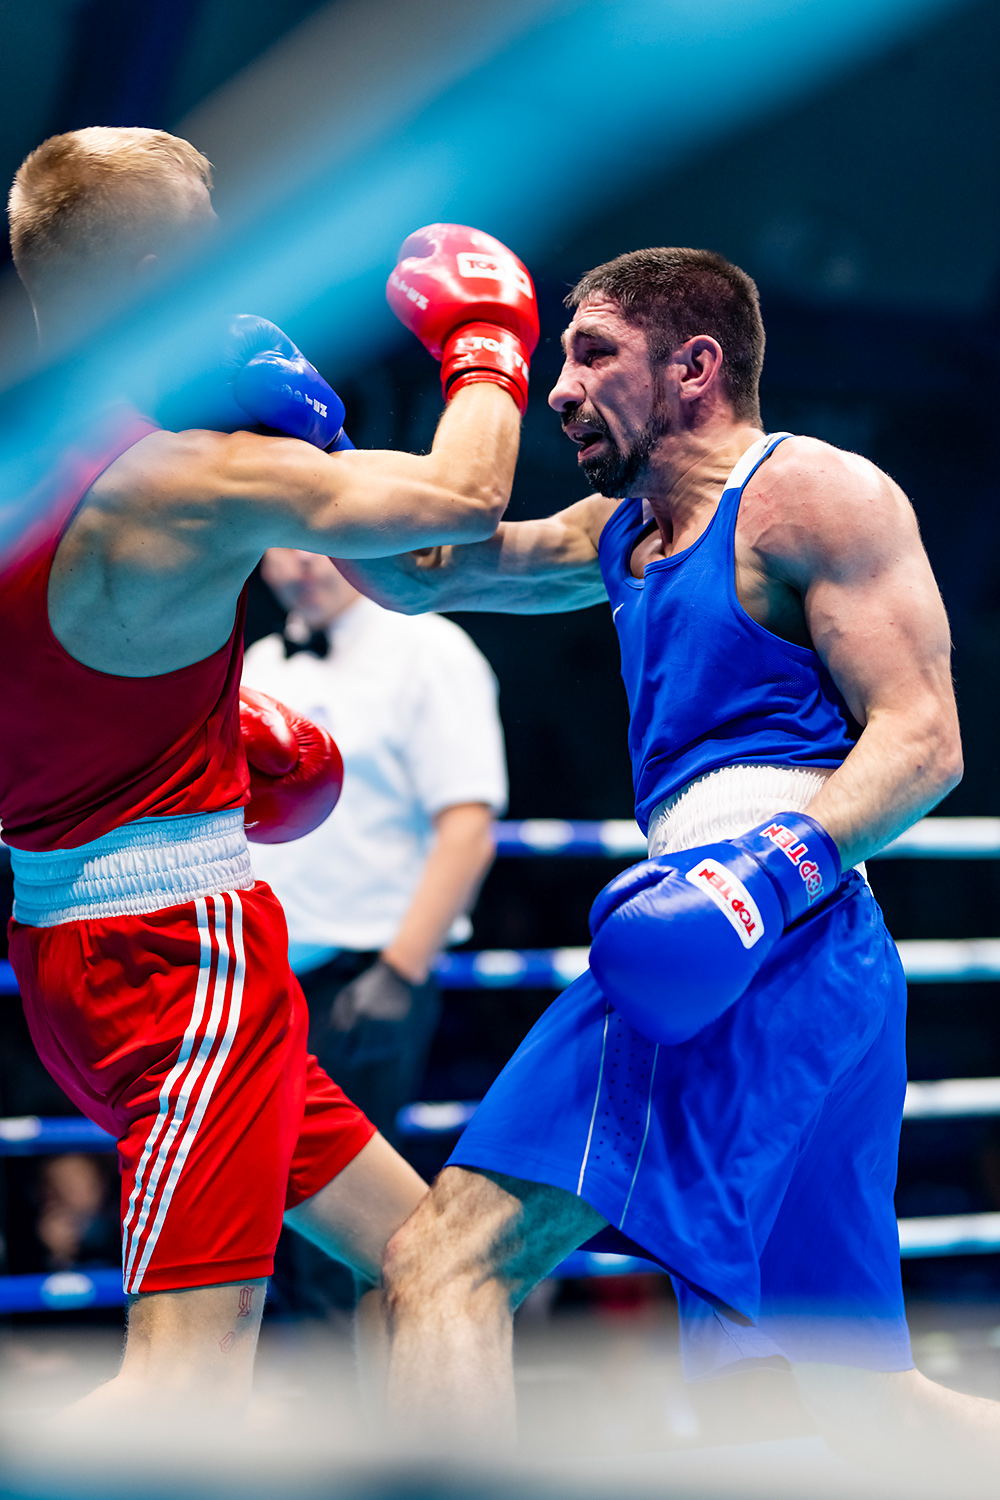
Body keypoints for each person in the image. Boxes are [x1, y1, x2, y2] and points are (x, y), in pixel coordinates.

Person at [336, 247, 1000, 1474]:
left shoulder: (813, 494)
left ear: (695, 366)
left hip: (763, 941)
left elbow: (925, 739)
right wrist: (309, 458)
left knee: (443, 1262)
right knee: (864, 1403)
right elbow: (420, 579)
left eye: (592, 353)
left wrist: (755, 881)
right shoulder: (618, 532)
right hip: (765, 959)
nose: (558, 388)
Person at [1, 127, 536, 1421]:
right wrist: (486, 337)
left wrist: (190, 724)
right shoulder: (183, 478)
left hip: (69, 939)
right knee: (183, 1394)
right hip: (178, 955)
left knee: (437, 1260)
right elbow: (463, 501)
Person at [242, 550, 506, 1314]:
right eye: (283, 543)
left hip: (364, 977)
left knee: (349, 1242)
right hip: (261, 980)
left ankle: (377, 1397)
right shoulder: (260, 664)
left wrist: (398, 972)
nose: (301, 564)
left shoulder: (429, 650)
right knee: (269, 1234)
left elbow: (468, 827)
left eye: (317, 542)